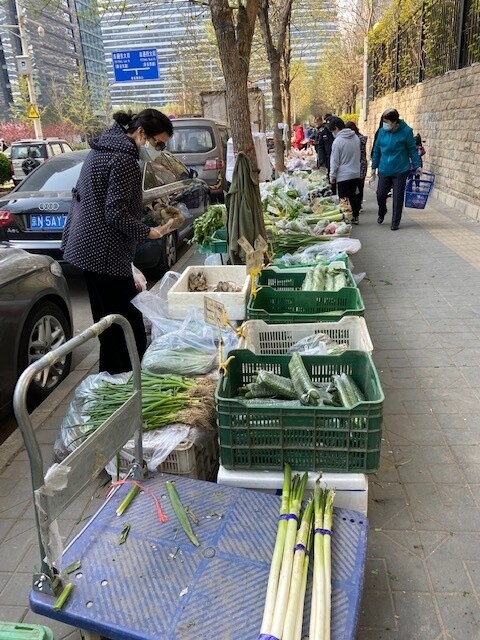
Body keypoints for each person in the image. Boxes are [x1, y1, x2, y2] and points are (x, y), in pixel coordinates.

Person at [62, 108, 174, 375]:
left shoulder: (102, 150)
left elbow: (107, 199)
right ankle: (128, 381)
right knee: (128, 324)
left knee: (108, 324)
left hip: (85, 247)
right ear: (141, 133)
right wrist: (152, 233)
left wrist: (146, 207)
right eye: (158, 143)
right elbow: (115, 213)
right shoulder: (124, 161)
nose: (158, 149)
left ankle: (109, 377)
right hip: (104, 252)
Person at [371, 108, 420, 230]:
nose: (385, 125)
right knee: (380, 194)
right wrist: (373, 166)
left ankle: (395, 222)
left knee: (398, 197)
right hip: (384, 169)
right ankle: (382, 212)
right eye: (384, 122)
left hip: (400, 169)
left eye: (387, 122)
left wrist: (417, 165)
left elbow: (412, 150)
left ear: (394, 122)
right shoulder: (382, 131)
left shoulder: (406, 132)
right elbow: (377, 149)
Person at [326, 116, 361, 223]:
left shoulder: (338, 141)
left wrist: (332, 176)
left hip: (343, 175)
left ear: (336, 128)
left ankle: (346, 218)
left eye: (332, 131)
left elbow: (334, 161)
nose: (332, 133)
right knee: (353, 196)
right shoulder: (355, 138)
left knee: (344, 198)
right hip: (355, 173)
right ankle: (355, 216)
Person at [345, 121, 367, 213]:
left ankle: (356, 204)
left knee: (356, 185)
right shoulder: (361, 138)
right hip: (361, 164)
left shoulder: (356, 139)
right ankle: (358, 204)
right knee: (360, 185)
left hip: (357, 164)